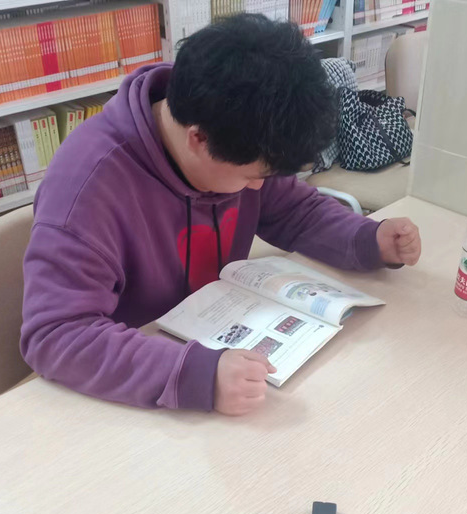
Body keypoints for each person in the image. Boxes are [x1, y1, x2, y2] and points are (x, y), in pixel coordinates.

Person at [21, 14, 422, 416]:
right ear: (198, 140)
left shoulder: (237, 124)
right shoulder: (87, 187)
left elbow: (295, 210)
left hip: (217, 335)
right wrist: (192, 375)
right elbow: (56, 334)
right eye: (252, 176)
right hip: (139, 379)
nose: (259, 189)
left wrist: (367, 239)